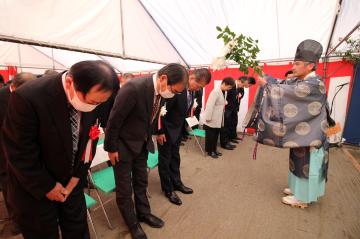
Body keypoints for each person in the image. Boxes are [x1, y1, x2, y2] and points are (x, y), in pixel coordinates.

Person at [0, 61, 116, 238]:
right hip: (36, 187)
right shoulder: (28, 97)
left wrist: (78, 176)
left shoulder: (94, 99)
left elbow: (88, 141)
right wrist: (47, 186)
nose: (93, 107)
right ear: (70, 83)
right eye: (91, 101)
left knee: (78, 230)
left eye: (99, 103)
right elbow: (19, 151)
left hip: (72, 182)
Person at [104, 63, 188, 239]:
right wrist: (111, 148)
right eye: (174, 90)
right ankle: (132, 223)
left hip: (141, 144)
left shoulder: (160, 93)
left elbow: (151, 117)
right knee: (125, 189)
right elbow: (114, 120)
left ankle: (144, 213)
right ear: (163, 78)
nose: (173, 95)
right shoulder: (133, 88)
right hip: (122, 146)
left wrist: (156, 133)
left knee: (141, 182)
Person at [258, 39, 329, 208]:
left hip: (313, 135)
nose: (293, 67)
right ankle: (297, 189)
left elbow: (287, 91)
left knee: (308, 164)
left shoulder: (314, 84)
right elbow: (283, 84)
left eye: (297, 64)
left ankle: (303, 198)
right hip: (303, 132)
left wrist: (267, 85)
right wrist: (266, 79)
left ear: (310, 66)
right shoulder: (301, 80)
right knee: (298, 160)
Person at [156, 68, 211, 206]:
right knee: (165, 160)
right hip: (166, 131)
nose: (199, 89)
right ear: (192, 78)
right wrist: (160, 131)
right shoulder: (175, 88)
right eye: (199, 86)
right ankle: (168, 190)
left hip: (178, 130)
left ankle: (177, 183)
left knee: (175, 158)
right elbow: (160, 110)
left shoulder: (191, 92)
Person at [0, 72, 36, 236]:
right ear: (14, 87)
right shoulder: (1, 97)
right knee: (9, 185)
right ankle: (16, 219)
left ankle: (29, 212)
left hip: (25, 145)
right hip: (3, 150)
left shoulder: (33, 95)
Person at [204, 77, 235, 158]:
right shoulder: (215, 91)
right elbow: (209, 105)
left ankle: (214, 150)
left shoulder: (223, 92)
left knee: (216, 135)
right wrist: (208, 118)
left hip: (218, 117)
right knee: (211, 136)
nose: (229, 89)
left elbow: (220, 102)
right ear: (224, 83)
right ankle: (210, 151)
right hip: (212, 118)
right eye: (229, 87)